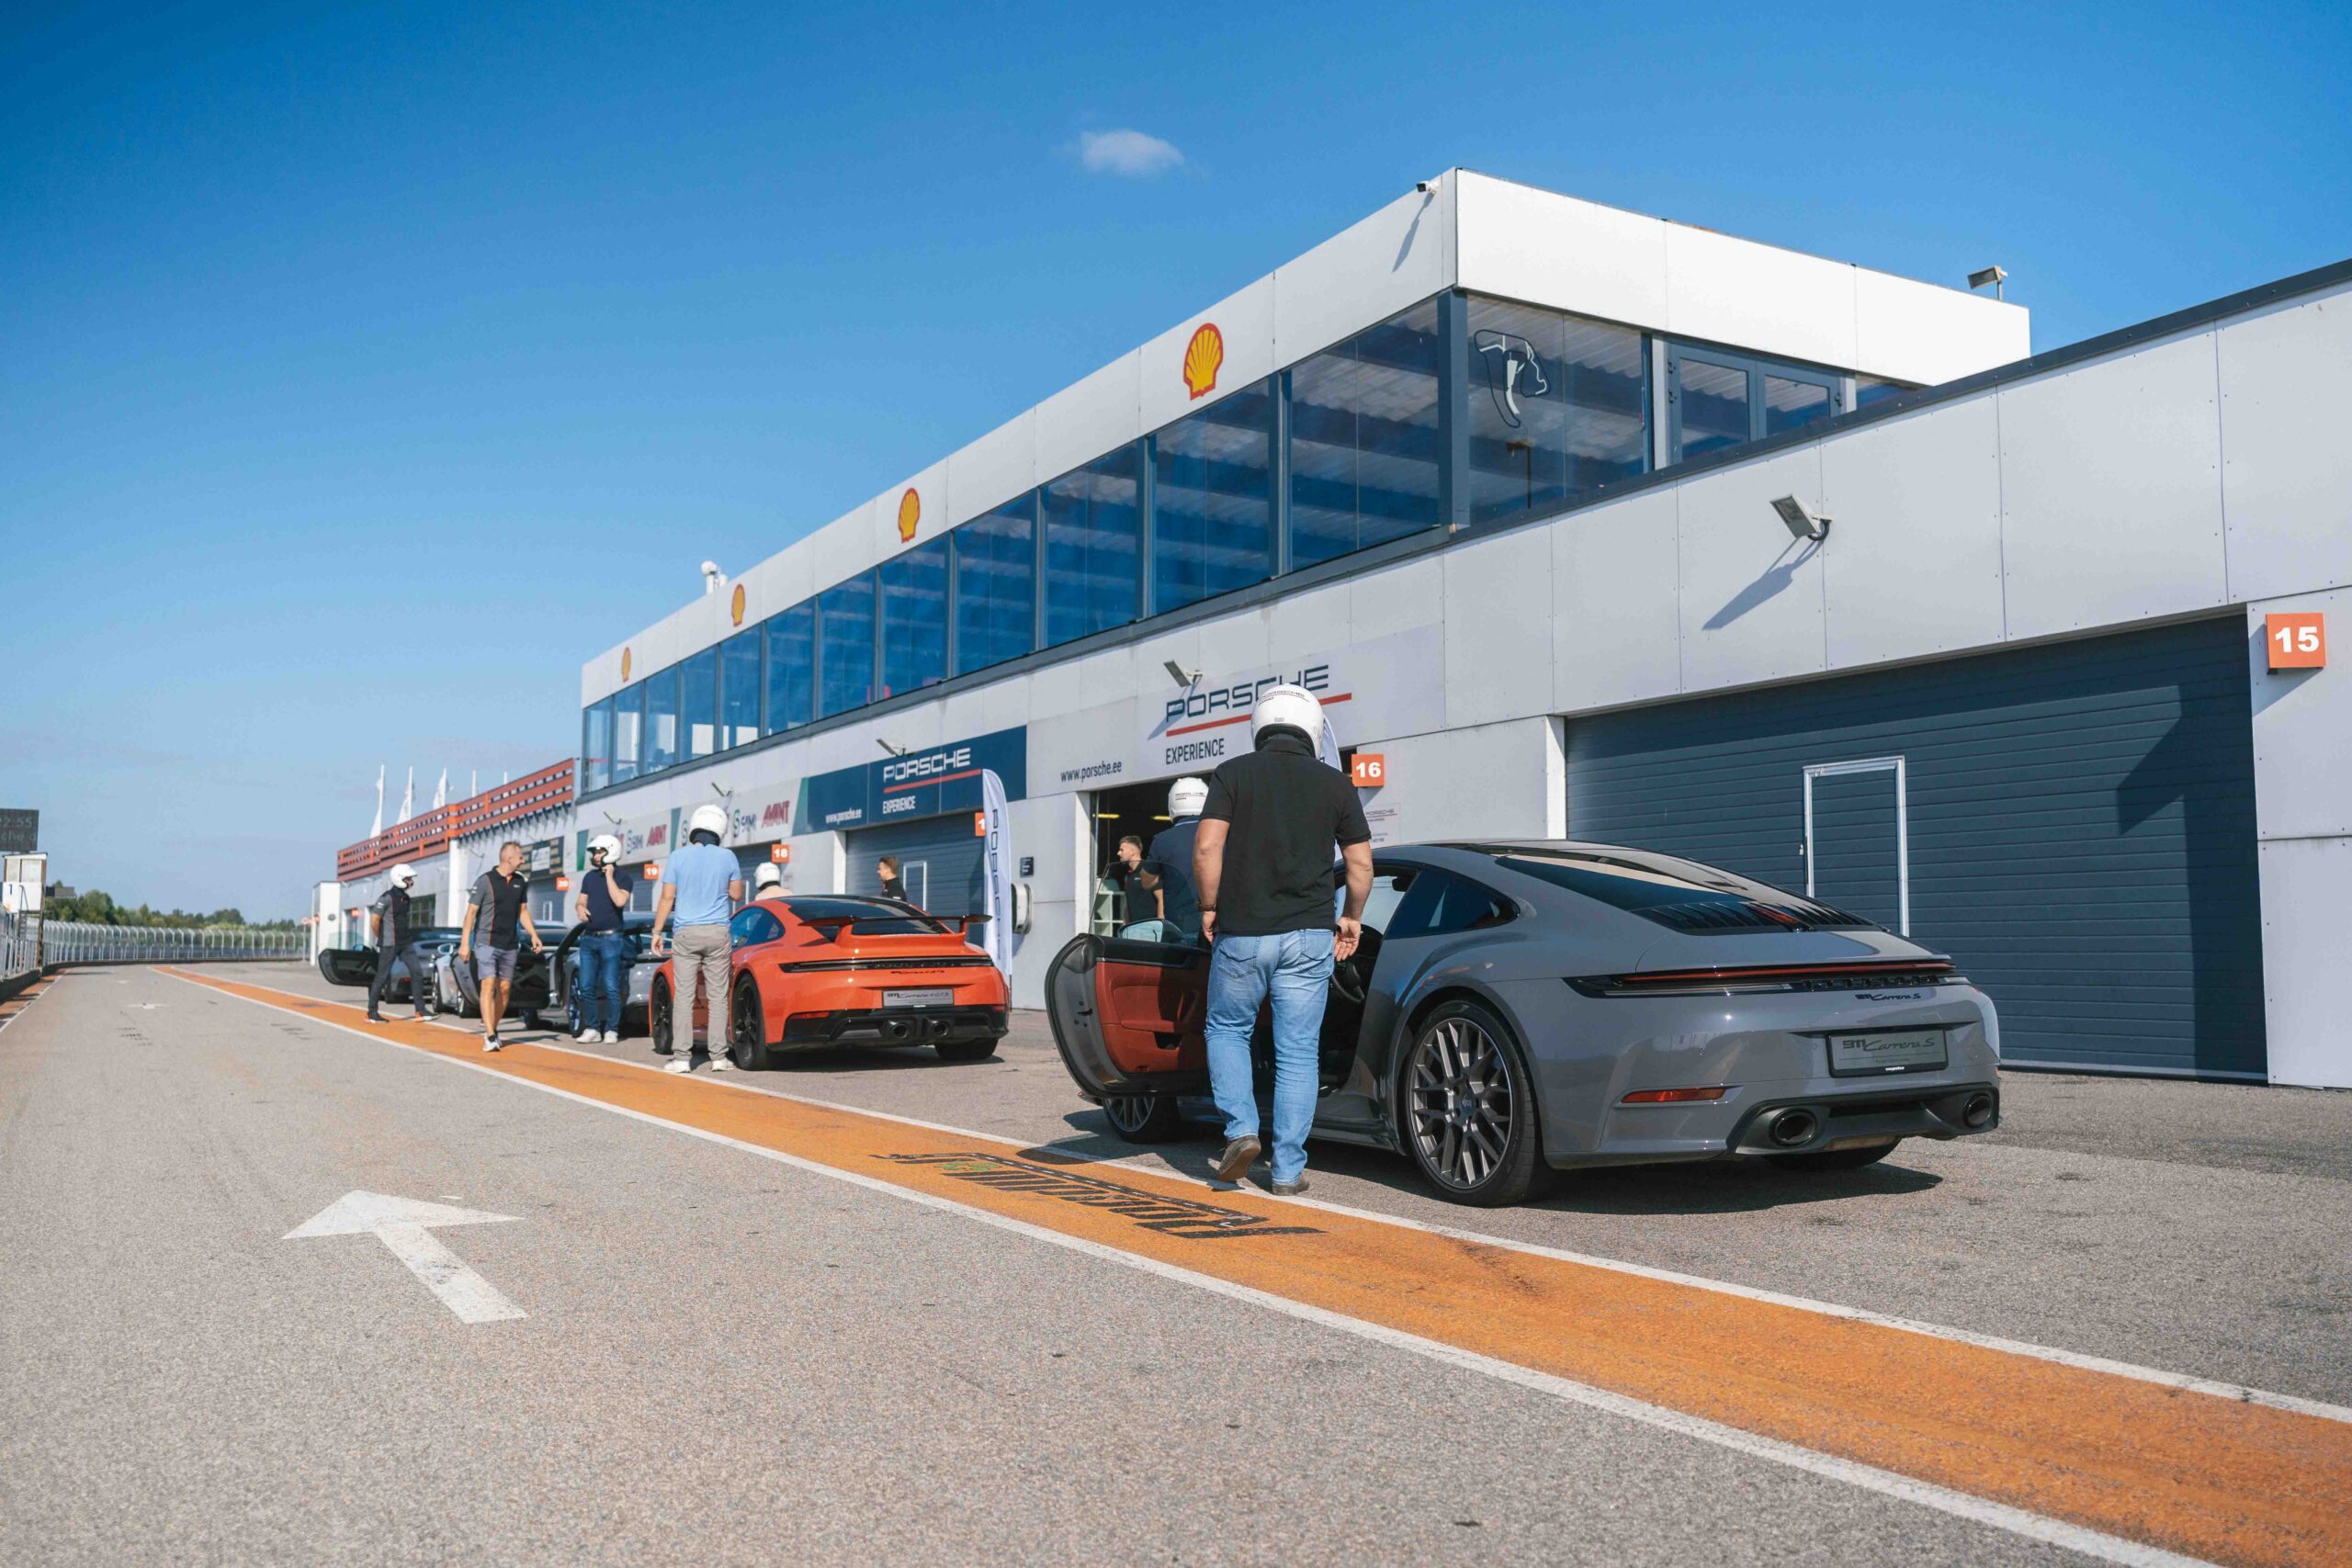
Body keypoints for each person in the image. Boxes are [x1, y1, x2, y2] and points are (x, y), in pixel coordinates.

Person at [1193, 685, 1372, 1197]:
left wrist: (1209, 906)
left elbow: (1206, 847)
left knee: (1229, 1029)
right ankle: (1288, 1171)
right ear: (1311, 729)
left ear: (1260, 727)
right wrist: (1352, 917)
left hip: (1243, 932)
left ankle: (1241, 1132)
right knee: (1297, 1052)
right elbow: (1360, 864)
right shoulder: (1336, 784)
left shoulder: (1232, 773)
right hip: (1309, 935)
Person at [650, 803, 743, 1073]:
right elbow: (736, 894)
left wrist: (657, 932)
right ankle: (719, 1057)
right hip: (717, 932)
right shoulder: (728, 856)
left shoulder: (677, 857)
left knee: (684, 996)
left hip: (686, 933)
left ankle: (681, 1059)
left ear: (694, 828)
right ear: (719, 831)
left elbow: (667, 897)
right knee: (717, 997)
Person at [459, 841, 543, 1052]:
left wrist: (534, 935)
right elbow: (471, 913)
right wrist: (464, 943)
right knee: (488, 984)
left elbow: (523, 912)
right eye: (520, 857)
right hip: (486, 942)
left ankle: (493, 1028)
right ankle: (489, 1036)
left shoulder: (520, 882)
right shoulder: (485, 881)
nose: (523, 860)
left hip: (510, 944)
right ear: (509, 858)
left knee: (504, 989)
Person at [571, 833, 630, 1043]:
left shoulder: (623, 878)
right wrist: (580, 908)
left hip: (611, 939)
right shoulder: (589, 877)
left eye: (600, 852)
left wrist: (609, 877)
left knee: (611, 986)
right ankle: (592, 1028)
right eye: (594, 853)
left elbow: (620, 900)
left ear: (611, 851)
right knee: (586, 986)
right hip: (588, 939)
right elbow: (581, 901)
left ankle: (612, 1029)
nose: (596, 856)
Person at [1136, 777, 1208, 942]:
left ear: (1172, 805)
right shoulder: (1224, 835)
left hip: (1180, 928)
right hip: (1220, 928)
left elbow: (1146, 882)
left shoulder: (1162, 840)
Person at [365, 863, 434, 1023]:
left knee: (417, 972)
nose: (411, 881)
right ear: (399, 879)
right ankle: (371, 1012)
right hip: (390, 943)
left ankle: (420, 1010)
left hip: (406, 943)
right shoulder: (386, 898)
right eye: (408, 879)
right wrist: (381, 937)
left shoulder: (406, 898)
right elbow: (375, 920)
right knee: (382, 976)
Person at [1105, 834, 1159, 928]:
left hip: (1150, 928)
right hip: (1133, 929)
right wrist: (1125, 926)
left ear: (1132, 852)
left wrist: (1161, 927)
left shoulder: (1148, 870)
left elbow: (1161, 899)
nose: (1118, 853)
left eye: (1122, 850)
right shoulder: (1128, 875)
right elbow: (1128, 905)